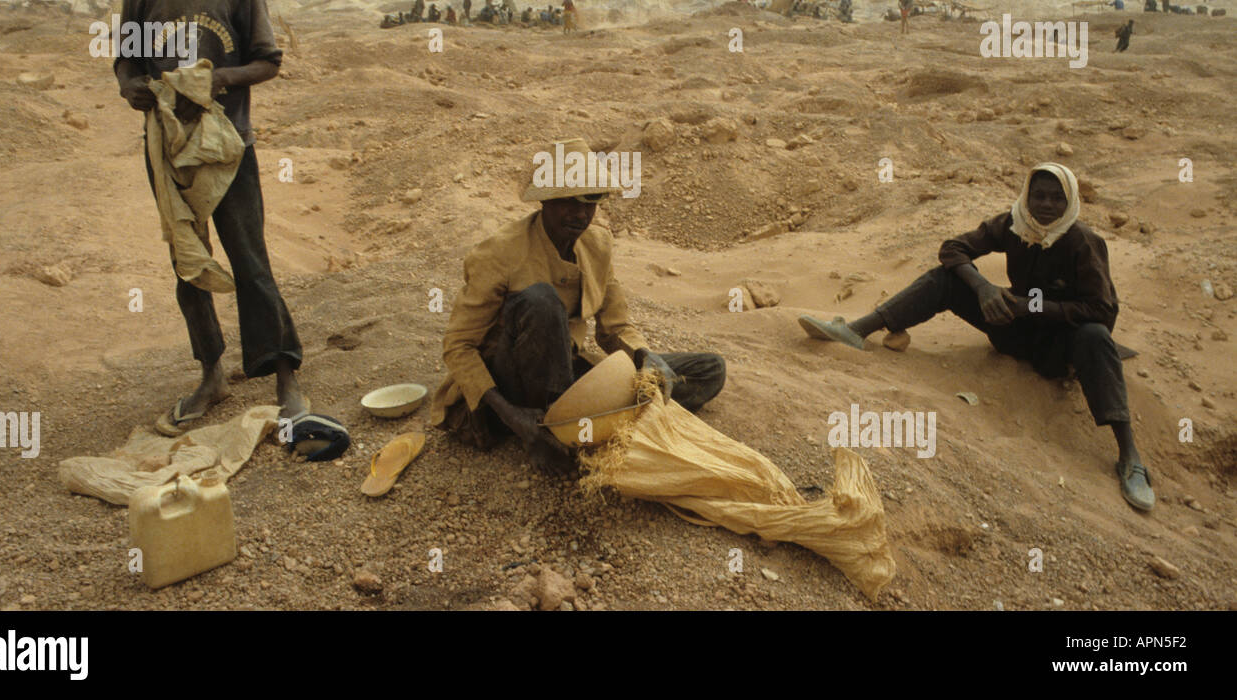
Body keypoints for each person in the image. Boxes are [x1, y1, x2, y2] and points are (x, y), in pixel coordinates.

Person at [798, 163, 1153, 512]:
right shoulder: (1015, 225)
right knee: (948, 279)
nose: (1046, 205)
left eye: (1057, 198)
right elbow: (953, 248)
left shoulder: (1083, 243)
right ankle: (856, 330)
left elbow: (1102, 311)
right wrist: (983, 287)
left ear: (1070, 201)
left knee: (1094, 337)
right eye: (1038, 196)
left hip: (1060, 349)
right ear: (1026, 198)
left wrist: (1032, 306)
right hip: (1012, 331)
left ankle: (1129, 457)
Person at [112, 0, 308, 434]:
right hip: (168, 150)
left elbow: (268, 60)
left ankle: (284, 375)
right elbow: (127, 61)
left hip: (230, 147)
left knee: (250, 259)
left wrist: (219, 80)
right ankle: (211, 372)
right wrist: (130, 86)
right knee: (187, 260)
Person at [430, 137, 726, 472]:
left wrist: (646, 356)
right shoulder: (501, 253)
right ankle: (551, 429)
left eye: (590, 201)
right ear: (545, 201)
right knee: (541, 301)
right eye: (568, 201)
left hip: (564, 373)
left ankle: (579, 424)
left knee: (709, 369)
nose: (580, 213)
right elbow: (458, 346)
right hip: (510, 386)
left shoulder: (597, 246)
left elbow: (615, 327)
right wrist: (512, 416)